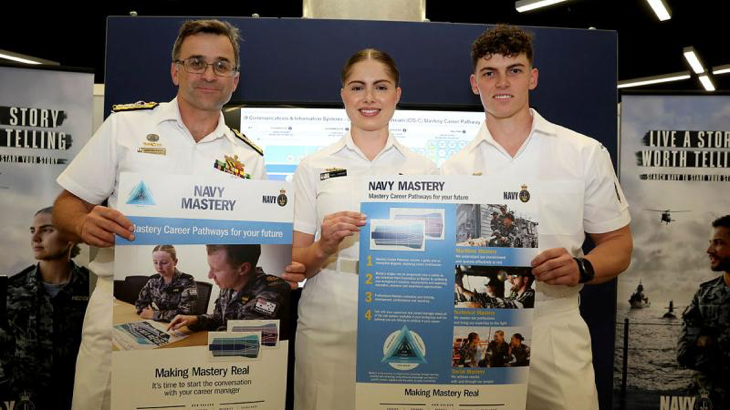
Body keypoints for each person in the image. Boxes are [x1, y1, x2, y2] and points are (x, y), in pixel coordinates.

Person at [51, 19, 304, 410]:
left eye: (222, 65)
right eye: (196, 62)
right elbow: (65, 206)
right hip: (114, 316)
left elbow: (258, 240)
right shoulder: (126, 127)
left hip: (195, 333)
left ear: (235, 79)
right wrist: (84, 224)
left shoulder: (249, 158)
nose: (209, 74)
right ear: (175, 70)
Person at [441, 24, 632, 410]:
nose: (501, 82)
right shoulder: (451, 170)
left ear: (533, 77)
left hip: (555, 323)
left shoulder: (582, 152)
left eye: (514, 69)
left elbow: (620, 245)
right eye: (489, 72)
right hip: (477, 324)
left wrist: (583, 268)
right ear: (474, 83)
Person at [288, 49, 437, 410]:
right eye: (358, 87)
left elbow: (436, 260)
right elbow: (294, 265)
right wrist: (325, 245)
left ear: (397, 94)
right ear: (343, 94)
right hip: (327, 318)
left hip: (400, 316)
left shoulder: (426, 170)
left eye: (380, 87)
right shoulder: (313, 167)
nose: (369, 98)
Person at [0, 207, 90, 409]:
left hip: (79, 397)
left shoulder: (92, 289)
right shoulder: (13, 289)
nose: (35, 238)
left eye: (47, 230)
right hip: (26, 400)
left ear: (69, 238)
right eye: (33, 230)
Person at [168, 245, 290, 332]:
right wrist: (195, 320)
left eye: (216, 270)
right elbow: (218, 319)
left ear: (242, 269)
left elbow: (245, 340)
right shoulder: (229, 285)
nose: (210, 275)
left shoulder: (271, 291)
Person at [677, 215, 730, 408]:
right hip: (707, 399)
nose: (709, 250)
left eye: (718, 243)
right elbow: (683, 354)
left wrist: (709, 342)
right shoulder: (704, 294)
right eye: (710, 243)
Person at [134, 245, 197, 322]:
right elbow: (140, 303)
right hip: (159, 323)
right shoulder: (153, 280)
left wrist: (154, 314)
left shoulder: (187, 281)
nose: (159, 267)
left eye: (164, 263)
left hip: (181, 327)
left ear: (175, 262)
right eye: (155, 262)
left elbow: (186, 313)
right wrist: (150, 313)